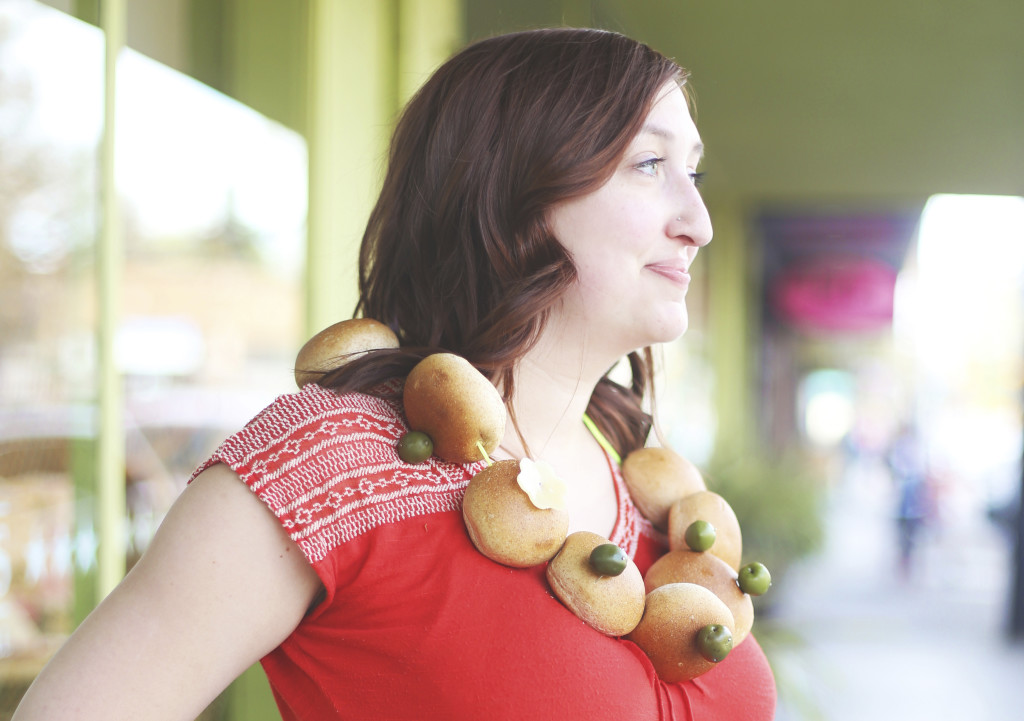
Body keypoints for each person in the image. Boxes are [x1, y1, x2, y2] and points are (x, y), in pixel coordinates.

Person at [14, 28, 776, 720]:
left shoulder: (641, 478)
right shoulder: (332, 461)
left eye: (696, 174)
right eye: (649, 164)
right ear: (513, 189)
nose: (698, 222)